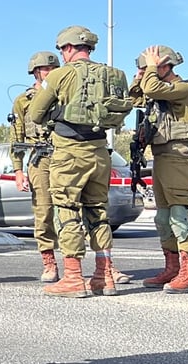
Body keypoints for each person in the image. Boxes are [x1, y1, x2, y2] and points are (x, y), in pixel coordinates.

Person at [27, 25, 130, 299]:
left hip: (70, 152)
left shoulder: (61, 75)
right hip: (100, 151)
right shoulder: (115, 74)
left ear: (69, 48)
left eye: (62, 49)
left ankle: (73, 277)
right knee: (98, 212)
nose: (61, 54)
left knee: (67, 210)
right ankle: (104, 275)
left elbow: (36, 114)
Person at [131, 45, 188, 294]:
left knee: (179, 214)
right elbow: (135, 97)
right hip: (161, 155)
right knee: (163, 217)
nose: (145, 70)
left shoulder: (183, 89)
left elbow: (151, 88)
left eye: (151, 65)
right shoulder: (159, 91)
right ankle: (172, 268)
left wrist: (149, 71)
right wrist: (140, 76)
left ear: (165, 65)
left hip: (178, 155)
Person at [10, 51, 62, 283]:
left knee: (75, 209)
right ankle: (49, 262)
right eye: (45, 69)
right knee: (44, 212)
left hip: (65, 156)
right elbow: (17, 136)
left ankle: (98, 265)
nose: (50, 73)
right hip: (39, 159)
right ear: (36, 71)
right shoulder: (23, 100)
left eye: (53, 69)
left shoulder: (65, 95)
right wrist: (18, 170)